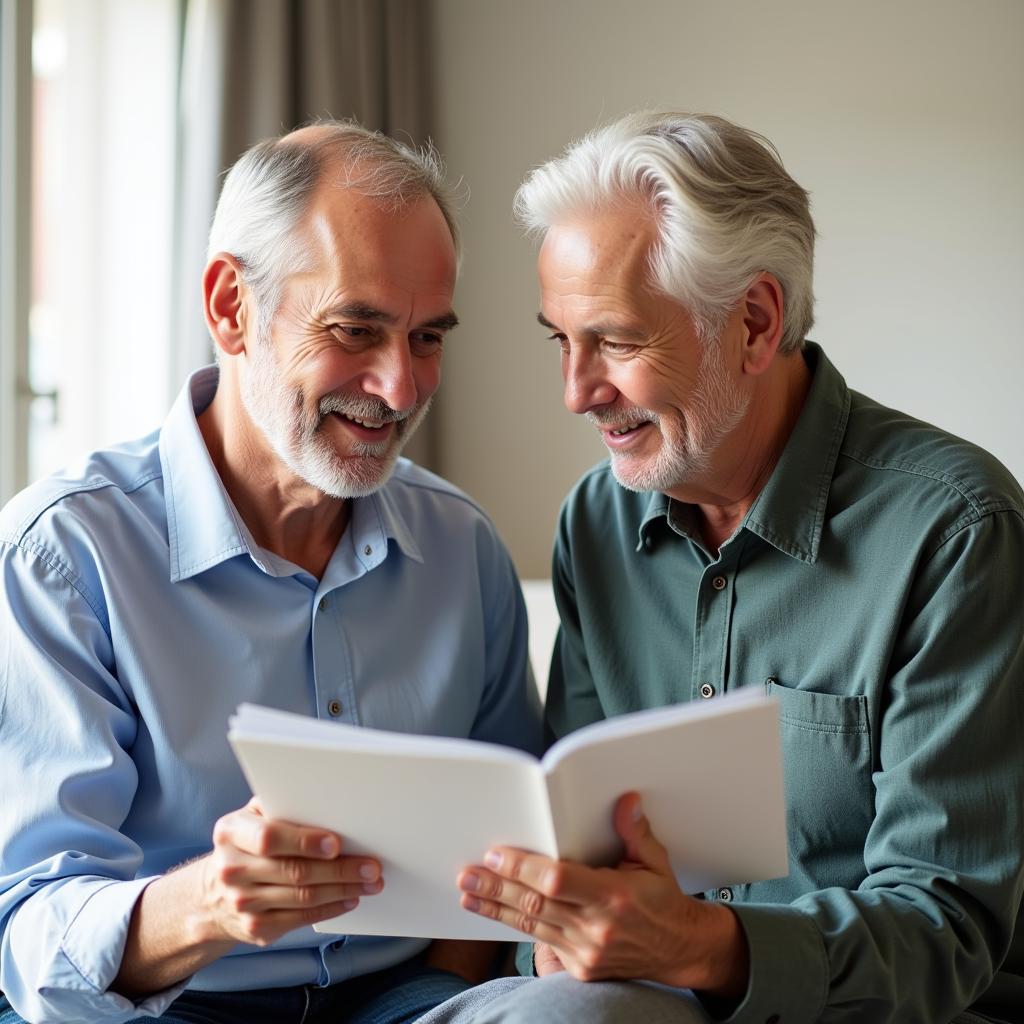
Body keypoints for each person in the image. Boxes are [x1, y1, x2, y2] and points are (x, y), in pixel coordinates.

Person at [421, 112, 1024, 1023]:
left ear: (753, 321)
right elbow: (571, 841)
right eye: (560, 340)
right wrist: (553, 927)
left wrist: (700, 949)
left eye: (616, 342)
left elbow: (947, 932)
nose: (577, 391)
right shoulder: (596, 522)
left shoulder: (954, 532)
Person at [0, 121, 541, 1024]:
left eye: (427, 338)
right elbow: (25, 927)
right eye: (355, 328)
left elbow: (508, 840)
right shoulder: (65, 556)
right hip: (163, 1007)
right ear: (230, 306)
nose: (400, 389)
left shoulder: (462, 549)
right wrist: (208, 903)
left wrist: (448, 987)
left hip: (406, 998)